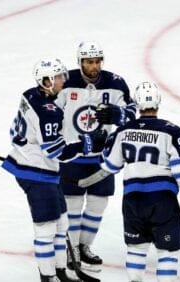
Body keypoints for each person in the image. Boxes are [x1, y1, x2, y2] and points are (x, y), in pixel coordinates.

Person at [78, 81, 180, 282]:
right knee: (167, 252)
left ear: (136, 103)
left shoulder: (123, 131)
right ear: (158, 102)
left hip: (133, 201)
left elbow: (109, 166)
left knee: (136, 249)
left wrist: (103, 142)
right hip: (163, 201)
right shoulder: (173, 131)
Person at [1, 58, 102, 282]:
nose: (62, 81)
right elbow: (56, 152)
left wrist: (25, 147)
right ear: (45, 80)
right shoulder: (48, 112)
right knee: (46, 229)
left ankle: (60, 272)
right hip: (36, 174)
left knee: (62, 223)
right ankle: (48, 277)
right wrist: (87, 144)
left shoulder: (29, 94)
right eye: (57, 77)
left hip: (37, 167)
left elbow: (17, 131)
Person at [54, 41, 136, 269]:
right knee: (73, 204)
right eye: (90, 62)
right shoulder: (66, 82)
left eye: (98, 61)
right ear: (80, 62)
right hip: (71, 156)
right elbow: (49, 113)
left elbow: (132, 114)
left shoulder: (116, 84)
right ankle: (71, 250)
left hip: (102, 157)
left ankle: (83, 246)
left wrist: (119, 115)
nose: (95, 66)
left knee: (97, 205)